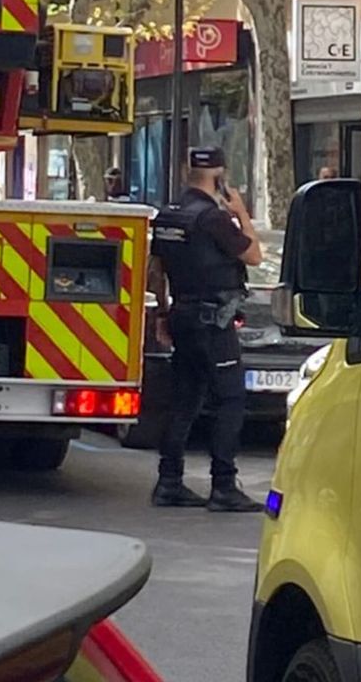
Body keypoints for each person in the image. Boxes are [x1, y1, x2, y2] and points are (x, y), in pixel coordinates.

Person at [148, 146, 264, 512]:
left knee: (184, 400)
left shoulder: (168, 216)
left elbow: (156, 271)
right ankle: (224, 485)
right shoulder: (213, 219)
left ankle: (169, 482)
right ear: (219, 176)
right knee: (230, 400)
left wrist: (164, 315)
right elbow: (254, 256)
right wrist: (241, 212)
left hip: (182, 315)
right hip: (213, 321)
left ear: (187, 170)